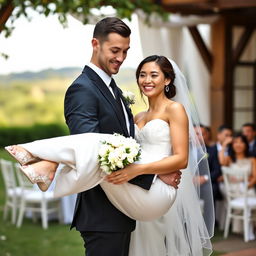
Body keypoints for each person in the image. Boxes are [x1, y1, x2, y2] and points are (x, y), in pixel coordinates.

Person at [6, 55, 213, 255]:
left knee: (101, 147)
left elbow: (181, 159)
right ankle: (49, 166)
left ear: (167, 79)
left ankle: (45, 161)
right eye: (142, 74)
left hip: (157, 191)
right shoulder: (138, 116)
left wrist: (140, 170)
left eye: (154, 75)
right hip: (137, 186)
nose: (146, 80)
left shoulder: (174, 109)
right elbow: (134, 153)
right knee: (104, 153)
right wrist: (143, 171)